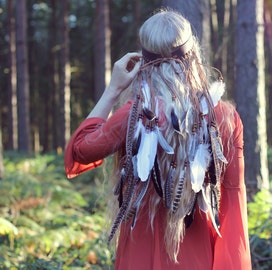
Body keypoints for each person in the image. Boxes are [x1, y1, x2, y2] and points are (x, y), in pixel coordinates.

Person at [64, 9, 251, 270]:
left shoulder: (135, 115)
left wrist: (113, 89)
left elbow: (79, 150)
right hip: (196, 251)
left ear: (143, 59)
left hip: (138, 250)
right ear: (193, 54)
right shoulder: (223, 116)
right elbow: (234, 200)